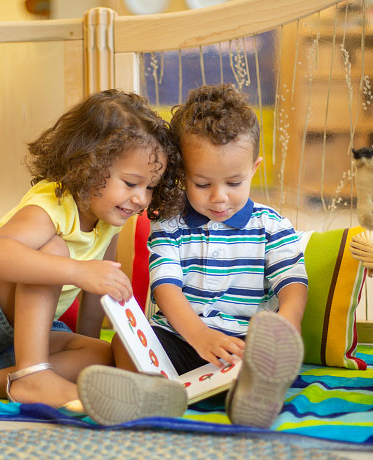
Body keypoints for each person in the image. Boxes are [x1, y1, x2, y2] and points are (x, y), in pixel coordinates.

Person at [0, 89, 184, 420]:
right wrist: (77, 271)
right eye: (131, 183)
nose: (141, 199)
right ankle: (34, 376)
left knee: (100, 355)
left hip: (2, 345)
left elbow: (96, 292)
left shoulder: (110, 220)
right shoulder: (53, 202)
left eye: (149, 187)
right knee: (52, 250)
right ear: (89, 164)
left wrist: (85, 344)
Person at [78, 84, 308, 428]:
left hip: (242, 345)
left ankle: (252, 394)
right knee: (125, 344)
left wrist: (287, 324)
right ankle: (153, 394)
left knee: (265, 357)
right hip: (181, 340)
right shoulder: (169, 223)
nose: (219, 198)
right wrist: (200, 336)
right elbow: (165, 289)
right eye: (202, 184)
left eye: (234, 182)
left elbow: (292, 284)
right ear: (183, 174)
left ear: (254, 169)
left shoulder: (271, 225)